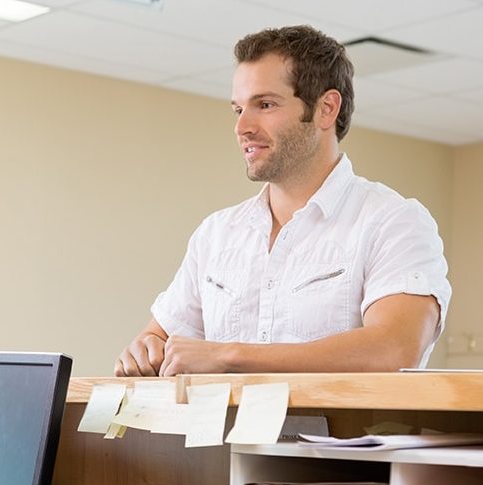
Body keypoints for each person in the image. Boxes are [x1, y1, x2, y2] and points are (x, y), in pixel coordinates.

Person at [116, 25, 451, 377]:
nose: (242, 126)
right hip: (220, 435)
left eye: (265, 104)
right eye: (238, 109)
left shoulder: (393, 221)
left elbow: (394, 349)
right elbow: (159, 336)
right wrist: (144, 351)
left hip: (342, 434)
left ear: (326, 108)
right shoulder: (216, 234)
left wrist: (230, 356)